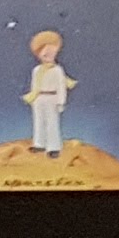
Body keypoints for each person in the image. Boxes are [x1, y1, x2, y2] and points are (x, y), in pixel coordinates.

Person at [22, 29, 73, 157]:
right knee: (38, 121)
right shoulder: (37, 70)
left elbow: (61, 86)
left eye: (51, 50)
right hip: (39, 98)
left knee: (52, 122)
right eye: (44, 51)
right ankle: (39, 144)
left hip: (52, 98)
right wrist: (33, 99)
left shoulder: (57, 70)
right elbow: (34, 85)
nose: (47, 53)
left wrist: (61, 102)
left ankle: (53, 147)